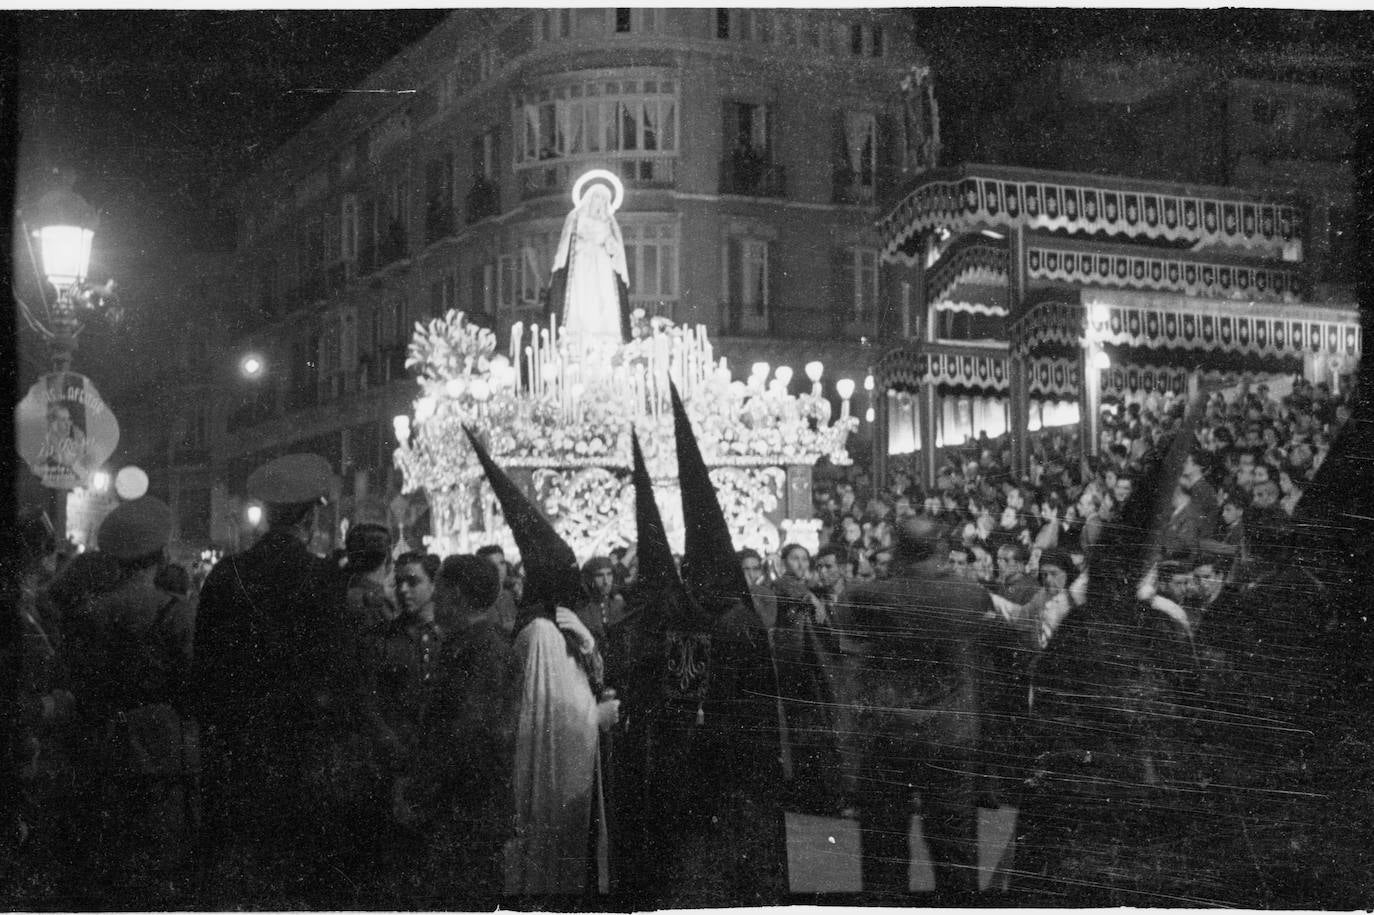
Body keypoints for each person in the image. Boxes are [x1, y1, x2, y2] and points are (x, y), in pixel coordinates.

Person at [464, 428, 619, 899]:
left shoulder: (563, 627)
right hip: (548, 791)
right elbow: (544, 727)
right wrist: (598, 717)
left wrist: (590, 649)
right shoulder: (537, 636)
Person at [190, 453, 349, 907]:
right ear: (311, 517)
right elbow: (338, 672)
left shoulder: (224, 575)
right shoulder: (324, 579)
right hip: (301, 746)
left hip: (236, 748)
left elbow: (203, 671)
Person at [841, 517, 998, 903]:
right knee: (955, 849)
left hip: (889, 733)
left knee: (883, 849)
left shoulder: (867, 596)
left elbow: (849, 629)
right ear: (940, 548)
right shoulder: (972, 596)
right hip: (949, 736)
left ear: (897, 549)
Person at [67, 497, 197, 907]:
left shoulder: (90, 611)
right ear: (159, 556)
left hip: (103, 742)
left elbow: (78, 683)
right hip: (162, 745)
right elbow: (194, 685)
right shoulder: (176, 612)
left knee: (113, 856)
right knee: (162, 856)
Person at [413, 554, 519, 906]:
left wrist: (423, 787)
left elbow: (468, 734)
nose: (434, 597)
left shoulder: (484, 651)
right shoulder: (464, 644)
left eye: (440, 587)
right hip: (458, 807)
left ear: (456, 593)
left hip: (468, 812)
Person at [548, 180, 631, 346]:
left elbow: (614, 247)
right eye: (596, 197)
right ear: (589, 198)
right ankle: (578, 337)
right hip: (581, 264)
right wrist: (582, 244)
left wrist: (611, 245)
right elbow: (567, 243)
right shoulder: (576, 217)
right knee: (581, 298)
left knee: (603, 297)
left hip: (602, 265)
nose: (599, 201)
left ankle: (606, 338)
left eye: (603, 199)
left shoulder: (608, 222)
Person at [576, 555, 626, 645]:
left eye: (609, 574)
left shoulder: (618, 603)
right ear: (589, 579)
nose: (606, 581)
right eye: (599, 575)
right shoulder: (581, 610)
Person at [477, 544, 519, 635]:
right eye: (492, 564)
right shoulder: (481, 601)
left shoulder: (510, 595)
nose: (499, 569)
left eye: (502, 563)